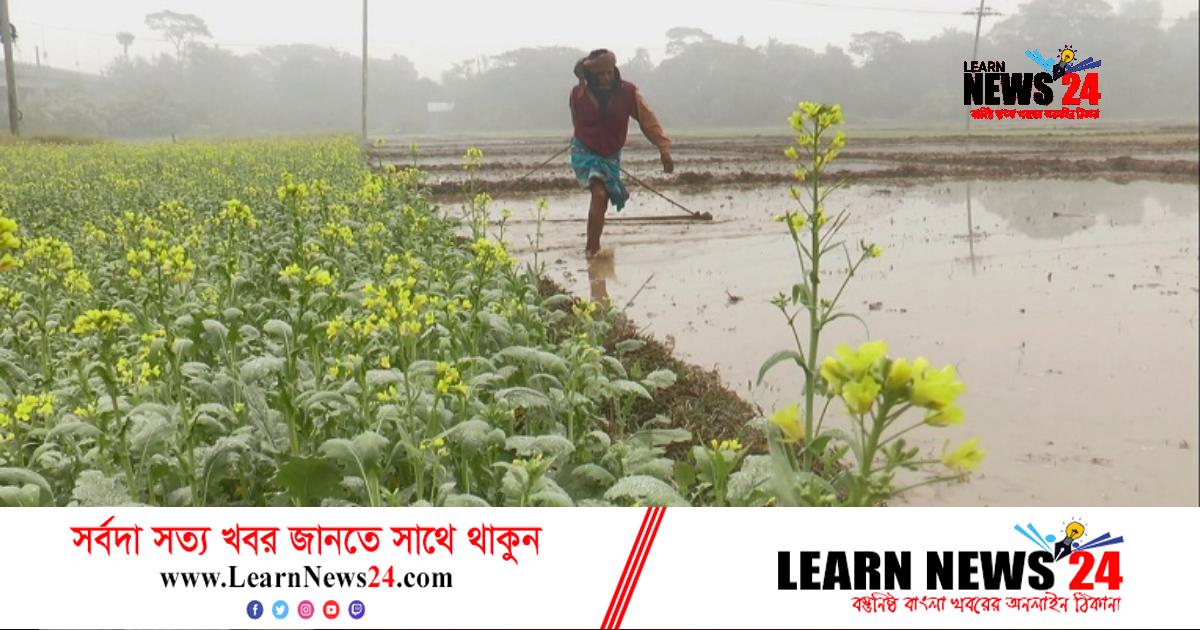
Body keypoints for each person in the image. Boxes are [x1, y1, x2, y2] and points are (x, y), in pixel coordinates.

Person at [569, 49, 673, 257]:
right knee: (599, 194)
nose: (606, 78)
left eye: (609, 72)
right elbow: (576, 120)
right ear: (591, 76)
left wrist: (663, 148)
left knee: (604, 197)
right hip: (584, 151)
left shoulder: (628, 92)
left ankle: (593, 249)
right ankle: (592, 251)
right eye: (600, 75)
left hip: (610, 154)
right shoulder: (578, 95)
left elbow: (648, 121)